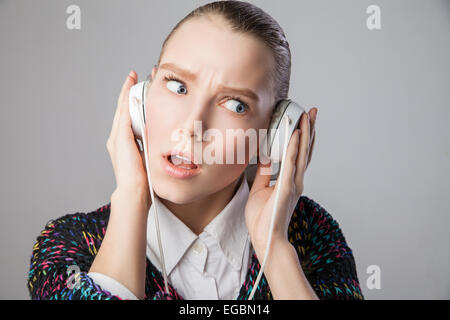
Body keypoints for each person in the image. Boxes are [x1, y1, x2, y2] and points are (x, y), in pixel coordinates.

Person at [27, 0, 364, 300]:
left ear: (274, 132)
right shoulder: (68, 245)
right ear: (140, 102)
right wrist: (131, 198)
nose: (193, 125)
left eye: (235, 104)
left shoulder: (309, 233)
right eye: (177, 86)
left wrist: (274, 249)